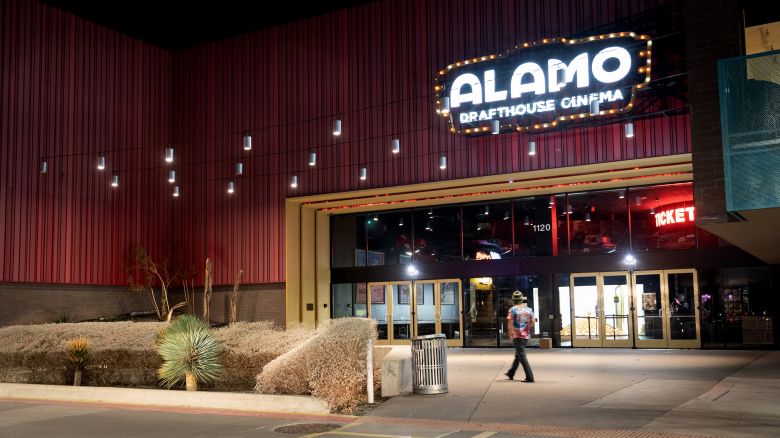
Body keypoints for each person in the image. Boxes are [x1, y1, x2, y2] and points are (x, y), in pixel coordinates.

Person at [505, 290, 535, 382]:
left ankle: (530, 377)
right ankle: (511, 373)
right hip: (525, 336)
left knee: (522, 356)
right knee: (518, 355)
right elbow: (533, 323)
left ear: (513, 300)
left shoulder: (512, 310)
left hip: (517, 336)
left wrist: (510, 334)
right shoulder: (529, 309)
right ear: (522, 300)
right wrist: (525, 328)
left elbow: (510, 324)